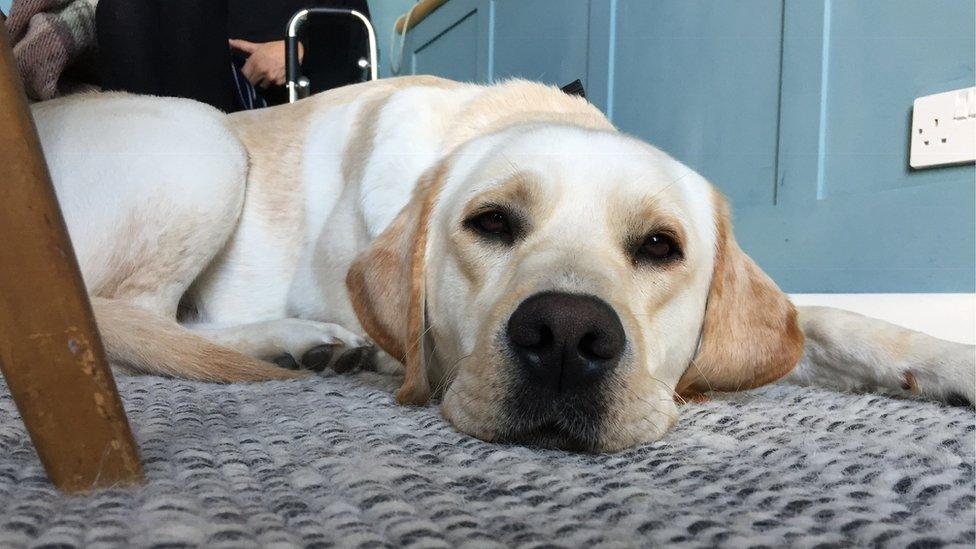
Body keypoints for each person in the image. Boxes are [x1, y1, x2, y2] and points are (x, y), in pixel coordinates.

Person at [96, 0, 371, 112]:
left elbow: (353, 30)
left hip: (276, 92)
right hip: (208, 68)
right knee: (119, 7)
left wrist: (296, 49)